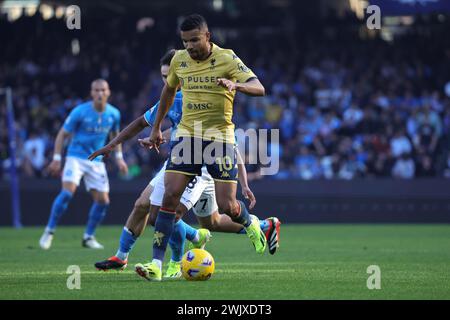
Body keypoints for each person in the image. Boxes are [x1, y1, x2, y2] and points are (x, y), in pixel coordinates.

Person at [91, 50, 280, 278]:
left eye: (170, 74)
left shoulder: (204, 97)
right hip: (179, 163)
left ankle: (174, 262)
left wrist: (243, 180)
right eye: (163, 76)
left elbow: (227, 141)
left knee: (171, 213)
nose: (168, 80)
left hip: (201, 167)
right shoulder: (169, 100)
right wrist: (112, 145)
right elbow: (141, 122)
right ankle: (257, 227)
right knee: (203, 220)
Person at [139, 14, 268, 281]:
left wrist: (237, 85)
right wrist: (155, 128)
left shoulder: (227, 58)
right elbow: (168, 92)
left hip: (218, 138)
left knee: (228, 205)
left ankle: (251, 223)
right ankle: (156, 264)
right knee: (170, 197)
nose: (190, 46)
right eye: (185, 41)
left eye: (195, 40)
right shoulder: (179, 60)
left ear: (207, 37)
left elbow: (260, 88)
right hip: (187, 136)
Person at [39, 79, 128, 250]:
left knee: (103, 201)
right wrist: (57, 159)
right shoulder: (80, 111)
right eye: (96, 90)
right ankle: (49, 231)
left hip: (96, 161)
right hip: (76, 157)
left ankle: (88, 237)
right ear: (91, 92)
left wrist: (119, 157)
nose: (100, 93)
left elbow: (116, 136)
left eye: (103, 90)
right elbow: (62, 135)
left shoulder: (114, 114)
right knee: (66, 193)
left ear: (108, 92)